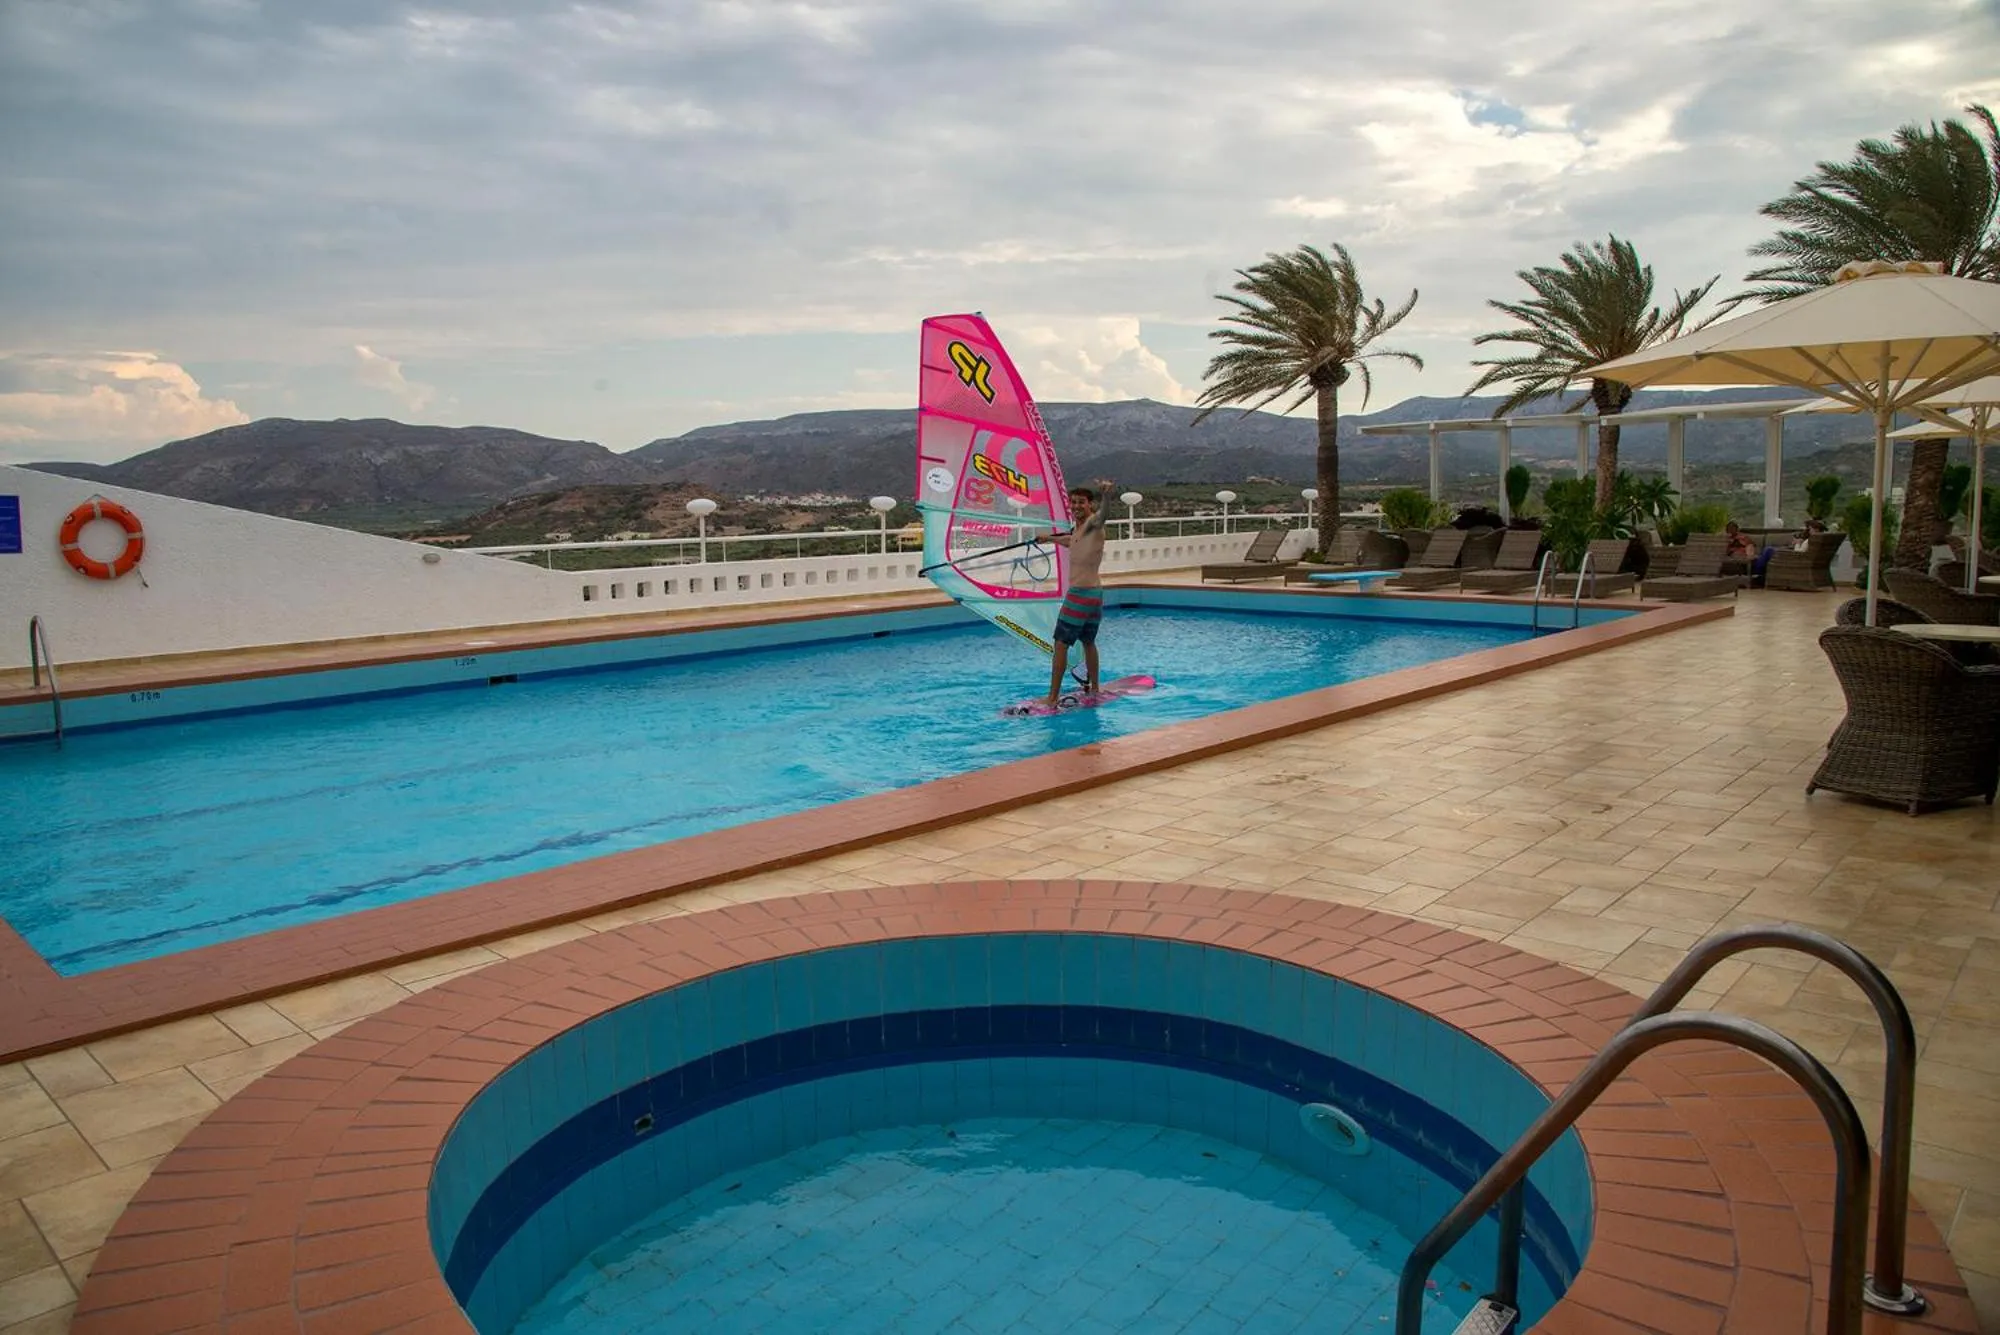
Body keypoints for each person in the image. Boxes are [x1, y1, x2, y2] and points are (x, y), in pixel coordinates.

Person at [1046, 481, 1111, 707]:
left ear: (1090, 505)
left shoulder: (1093, 523)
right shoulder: (1079, 530)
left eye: (1081, 502)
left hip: (1080, 595)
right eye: (1073, 502)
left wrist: (1106, 495)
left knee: (1060, 644)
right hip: (1095, 594)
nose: (1076, 506)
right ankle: (1094, 688)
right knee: (1088, 641)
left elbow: (1103, 516)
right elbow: (1070, 541)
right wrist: (1049, 539)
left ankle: (1052, 698)